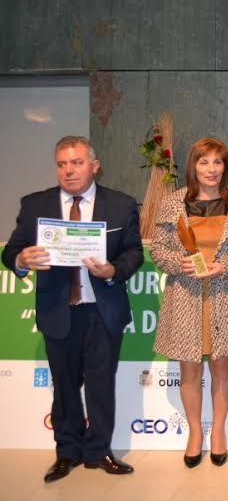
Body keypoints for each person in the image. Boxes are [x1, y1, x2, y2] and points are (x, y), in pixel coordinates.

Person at [2, 136, 143, 482]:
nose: (69, 171)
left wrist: (113, 270)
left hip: (102, 310)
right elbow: (11, 251)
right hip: (58, 310)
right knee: (64, 387)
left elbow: (134, 252)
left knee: (100, 385)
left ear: (94, 166)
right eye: (62, 164)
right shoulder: (34, 205)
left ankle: (99, 451)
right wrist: (21, 259)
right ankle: (66, 452)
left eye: (77, 163)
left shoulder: (121, 205)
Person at [151, 137, 228, 468]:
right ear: (193, 166)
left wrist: (225, 265)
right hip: (186, 296)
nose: (211, 169)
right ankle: (195, 432)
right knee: (189, 368)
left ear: (225, 167)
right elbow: (158, 249)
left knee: (222, 366)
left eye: (217, 162)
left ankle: (219, 432)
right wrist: (178, 263)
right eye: (204, 162)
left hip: (226, 295)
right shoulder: (173, 203)